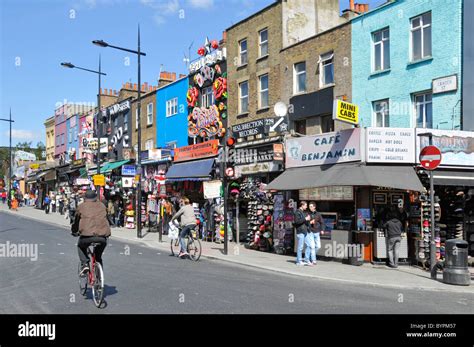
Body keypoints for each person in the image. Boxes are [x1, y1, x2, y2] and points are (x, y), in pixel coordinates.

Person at [71, 190, 111, 276]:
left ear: (85, 198)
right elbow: (107, 218)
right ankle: (99, 276)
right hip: (102, 236)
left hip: (86, 236)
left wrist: (74, 231)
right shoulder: (102, 206)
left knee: (80, 246)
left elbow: (76, 221)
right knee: (98, 257)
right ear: (95, 198)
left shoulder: (81, 206)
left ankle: (85, 264)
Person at [294, 201, 312, 266]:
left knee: (309, 245)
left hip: (305, 231)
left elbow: (305, 221)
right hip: (300, 231)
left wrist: (309, 220)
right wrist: (305, 219)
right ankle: (299, 261)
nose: (306, 207)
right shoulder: (297, 212)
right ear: (302, 205)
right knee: (300, 247)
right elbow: (297, 221)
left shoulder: (304, 212)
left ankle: (306, 259)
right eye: (306, 205)